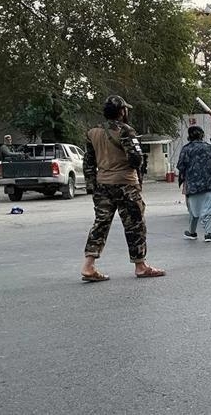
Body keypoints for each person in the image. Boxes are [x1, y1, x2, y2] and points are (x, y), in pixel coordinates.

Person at [80, 95, 165, 282]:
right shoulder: (126, 130)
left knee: (101, 224)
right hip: (126, 184)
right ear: (122, 111)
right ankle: (140, 266)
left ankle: (88, 265)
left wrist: (91, 186)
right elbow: (135, 159)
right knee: (135, 224)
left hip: (103, 185)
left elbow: (88, 162)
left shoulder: (92, 132)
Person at [177, 125, 211, 243]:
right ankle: (208, 234)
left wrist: (183, 180)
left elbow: (181, 166)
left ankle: (192, 232)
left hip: (193, 186)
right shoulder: (210, 148)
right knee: (209, 211)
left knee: (194, 211)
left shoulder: (186, 149)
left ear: (189, 136)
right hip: (210, 185)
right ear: (202, 135)